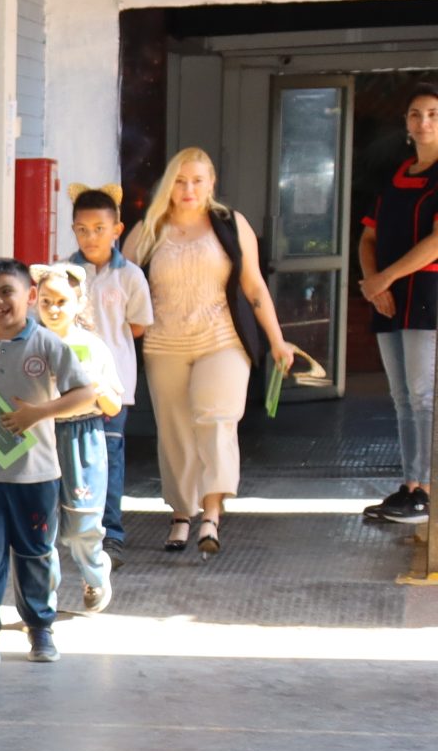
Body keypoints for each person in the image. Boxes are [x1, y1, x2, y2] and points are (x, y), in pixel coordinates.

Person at [125, 148, 297, 557]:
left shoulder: (231, 223)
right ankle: (182, 513)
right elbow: (121, 281)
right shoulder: (149, 228)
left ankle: (212, 513)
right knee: (175, 431)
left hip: (222, 339)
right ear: (169, 184)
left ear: (212, 183)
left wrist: (277, 340)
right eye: (180, 181)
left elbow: (253, 286)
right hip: (164, 343)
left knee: (217, 421)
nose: (189, 189)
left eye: (197, 181)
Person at [0, 259, 97, 669]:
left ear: (30, 296)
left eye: (6, 292)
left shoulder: (48, 345)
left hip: (36, 474)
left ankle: (40, 628)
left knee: (36, 554)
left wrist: (38, 413)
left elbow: (85, 393)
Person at [355, 85, 438, 527]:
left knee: (424, 396)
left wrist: (384, 278)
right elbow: (368, 236)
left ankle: (427, 490)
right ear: (406, 123)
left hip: (426, 293)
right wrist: (373, 283)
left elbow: (436, 243)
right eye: (415, 114)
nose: (423, 122)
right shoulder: (397, 174)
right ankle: (410, 483)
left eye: (433, 114)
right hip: (388, 297)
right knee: (402, 397)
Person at [32, 262, 121, 616]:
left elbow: (113, 404)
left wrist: (97, 388)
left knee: (82, 523)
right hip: (41, 436)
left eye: (61, 302)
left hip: (82, 436)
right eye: (46, 302)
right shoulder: (28, 345)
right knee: (40, 525)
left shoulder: (92, 347)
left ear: (79, 303)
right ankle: (43, 599)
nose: (53, 310)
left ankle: (95, 573)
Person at [68, 188, 153, 546]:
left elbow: (138, 326)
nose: (91, 237)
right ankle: (74, 530)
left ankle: (111, 533)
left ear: (117, 230)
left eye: (99, 229)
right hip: (71, 385)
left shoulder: (130, 276)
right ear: (73, 229)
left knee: (109, 456)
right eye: (83, 229)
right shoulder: (65, 273)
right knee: (71, 457)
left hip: (114, 384)